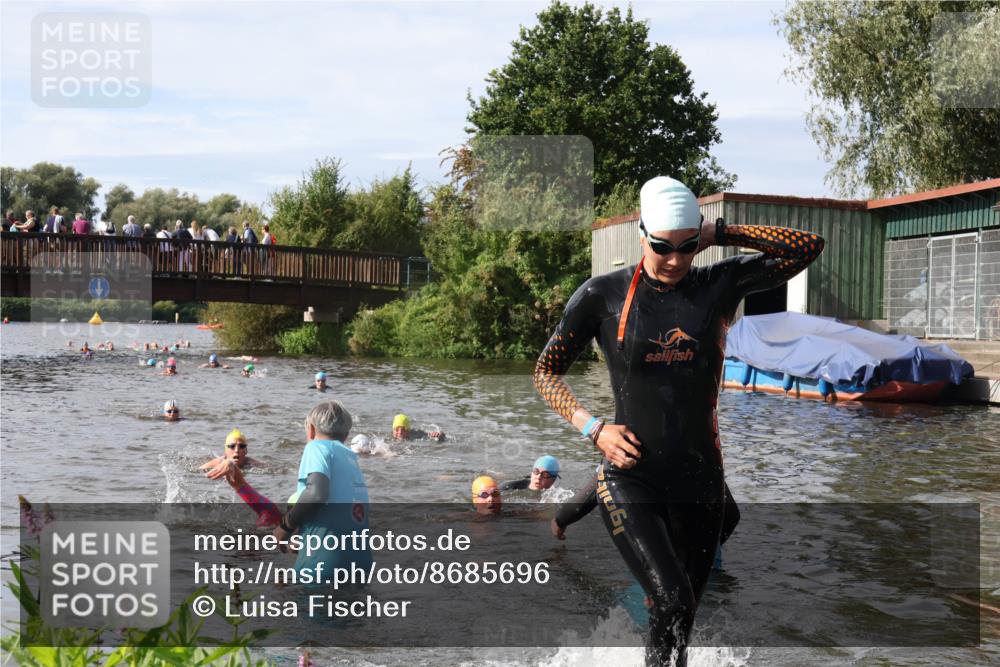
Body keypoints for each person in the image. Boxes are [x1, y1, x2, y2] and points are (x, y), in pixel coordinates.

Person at [532, 175, 824, 666]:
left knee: (680, 618)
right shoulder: (602, 295)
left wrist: (721, 233)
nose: (674, 259)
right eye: (663, 246)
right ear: (641, 234)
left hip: (701, 479)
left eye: (687, 247)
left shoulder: (718, 284)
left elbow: (807, 246)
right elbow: (545, 373)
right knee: (673, 599)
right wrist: (593, 428)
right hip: (631, 476)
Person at [272, 401, 372, 575]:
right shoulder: (351, 458)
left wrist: (284, 528)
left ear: (311, 430)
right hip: (362, 562)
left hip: (325, 562)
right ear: (346, 435)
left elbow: (316, 494)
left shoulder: (316, 447)